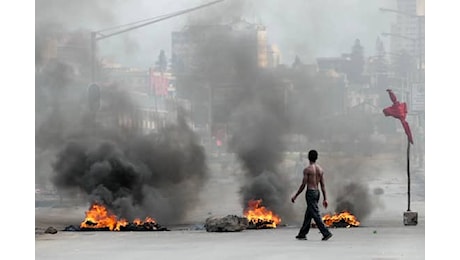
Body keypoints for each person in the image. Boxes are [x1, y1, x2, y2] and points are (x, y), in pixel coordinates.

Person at [291, 149, 333, 241]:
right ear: (316, 158)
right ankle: (302, 233)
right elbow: (322, 185)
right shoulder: (320, 170)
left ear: (308, 157)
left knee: (315, 214)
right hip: (317, 193)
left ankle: (326, 233)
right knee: (309, 214)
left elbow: (303, 184)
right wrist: (325, 198)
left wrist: (296, 195)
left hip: (310, 193)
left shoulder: (307, 170)